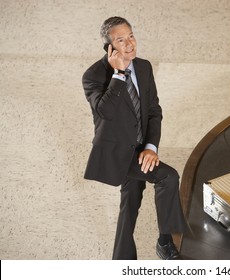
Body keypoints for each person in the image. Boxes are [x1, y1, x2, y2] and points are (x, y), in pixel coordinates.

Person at [82, 16, 187, 260]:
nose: (129, 44)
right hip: (117, 152)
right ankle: (165, 241)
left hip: (140, 148)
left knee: (129, 205)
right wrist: (118, 74)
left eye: (131, 36)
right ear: (110, 48)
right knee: (168, 177)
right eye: (121, 40)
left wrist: (151, 147)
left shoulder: (143, 67)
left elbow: (153, 111)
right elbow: (105, 111)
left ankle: (121, 262)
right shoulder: (93, 76)